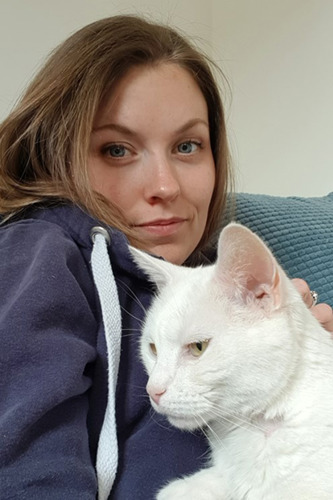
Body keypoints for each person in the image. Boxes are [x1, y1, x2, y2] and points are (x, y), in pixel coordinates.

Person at [0, 14, 332, 500]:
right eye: (117, 149)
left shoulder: (207, 273)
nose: (165, 186)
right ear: (59, 152)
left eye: (187, 145)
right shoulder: (41, 253)